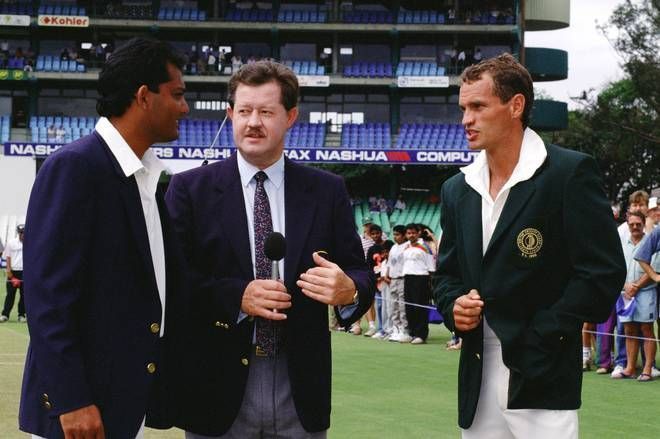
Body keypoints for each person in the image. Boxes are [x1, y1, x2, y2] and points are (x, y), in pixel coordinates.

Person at [165, 60, 375, 438]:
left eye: (266, 111)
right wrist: (236, 296)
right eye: (243, 111)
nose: (253, 122)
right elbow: (173, 283)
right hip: (217, 383)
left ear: (291, 116)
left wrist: (349, 291)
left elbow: (359, 275)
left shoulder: (327, 191)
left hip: (299, 385)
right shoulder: (188, 190)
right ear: (230, 114)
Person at [434, 53, 625, 438]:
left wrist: (544, 335)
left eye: (477, 106)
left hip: (543, 377)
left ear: (515, 105)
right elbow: (447, 276)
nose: (465, 120)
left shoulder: (569, 174)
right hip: (477, 378)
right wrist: (455, 306)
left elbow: (602, 274)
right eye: (463, 108)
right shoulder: (457, 189)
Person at [19, 37, 189, 438]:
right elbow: (47, 300)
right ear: (144, 96)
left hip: (122, 406)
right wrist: (71, 400)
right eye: (177, 94)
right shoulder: (76, 168)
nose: (184, 107)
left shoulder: (144, 179)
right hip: (77, 417)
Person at [612, 211, 658, 381]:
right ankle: (630, 367)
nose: (635, 227)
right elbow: (616, 266)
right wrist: (626, 287)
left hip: (645, 291)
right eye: (632, 224)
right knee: (629, 329)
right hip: (625, 292)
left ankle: (647, 369)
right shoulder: (622, 242)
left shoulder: (652, 241)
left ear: (643, 223)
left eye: (638, 224)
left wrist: (637, 285)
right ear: (628, 224)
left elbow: (654, 269)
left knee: (646, 329)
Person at [402, 223, 435, 344]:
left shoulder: (425, 247)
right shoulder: (406, 246)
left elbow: (431, 266)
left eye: (413, 233)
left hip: (421, 278)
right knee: (409, 307)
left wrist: (431, 283)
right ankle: (412, 333)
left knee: (419, 307)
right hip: (408, 278)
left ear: (418, 233)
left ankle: (421, 334)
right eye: (409, 233)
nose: (411, 235)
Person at [1, 224, 26, 323]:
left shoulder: (30, 243)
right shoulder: (11, 243)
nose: (22, 235)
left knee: (24, 295)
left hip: (25, 272)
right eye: (21, 233)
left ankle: (21, 315)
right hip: (13, 271)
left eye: (24, 232)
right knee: (10, 295)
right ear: (18, 233)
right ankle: (5, 314)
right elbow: (8, 258)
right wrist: (11, 275)